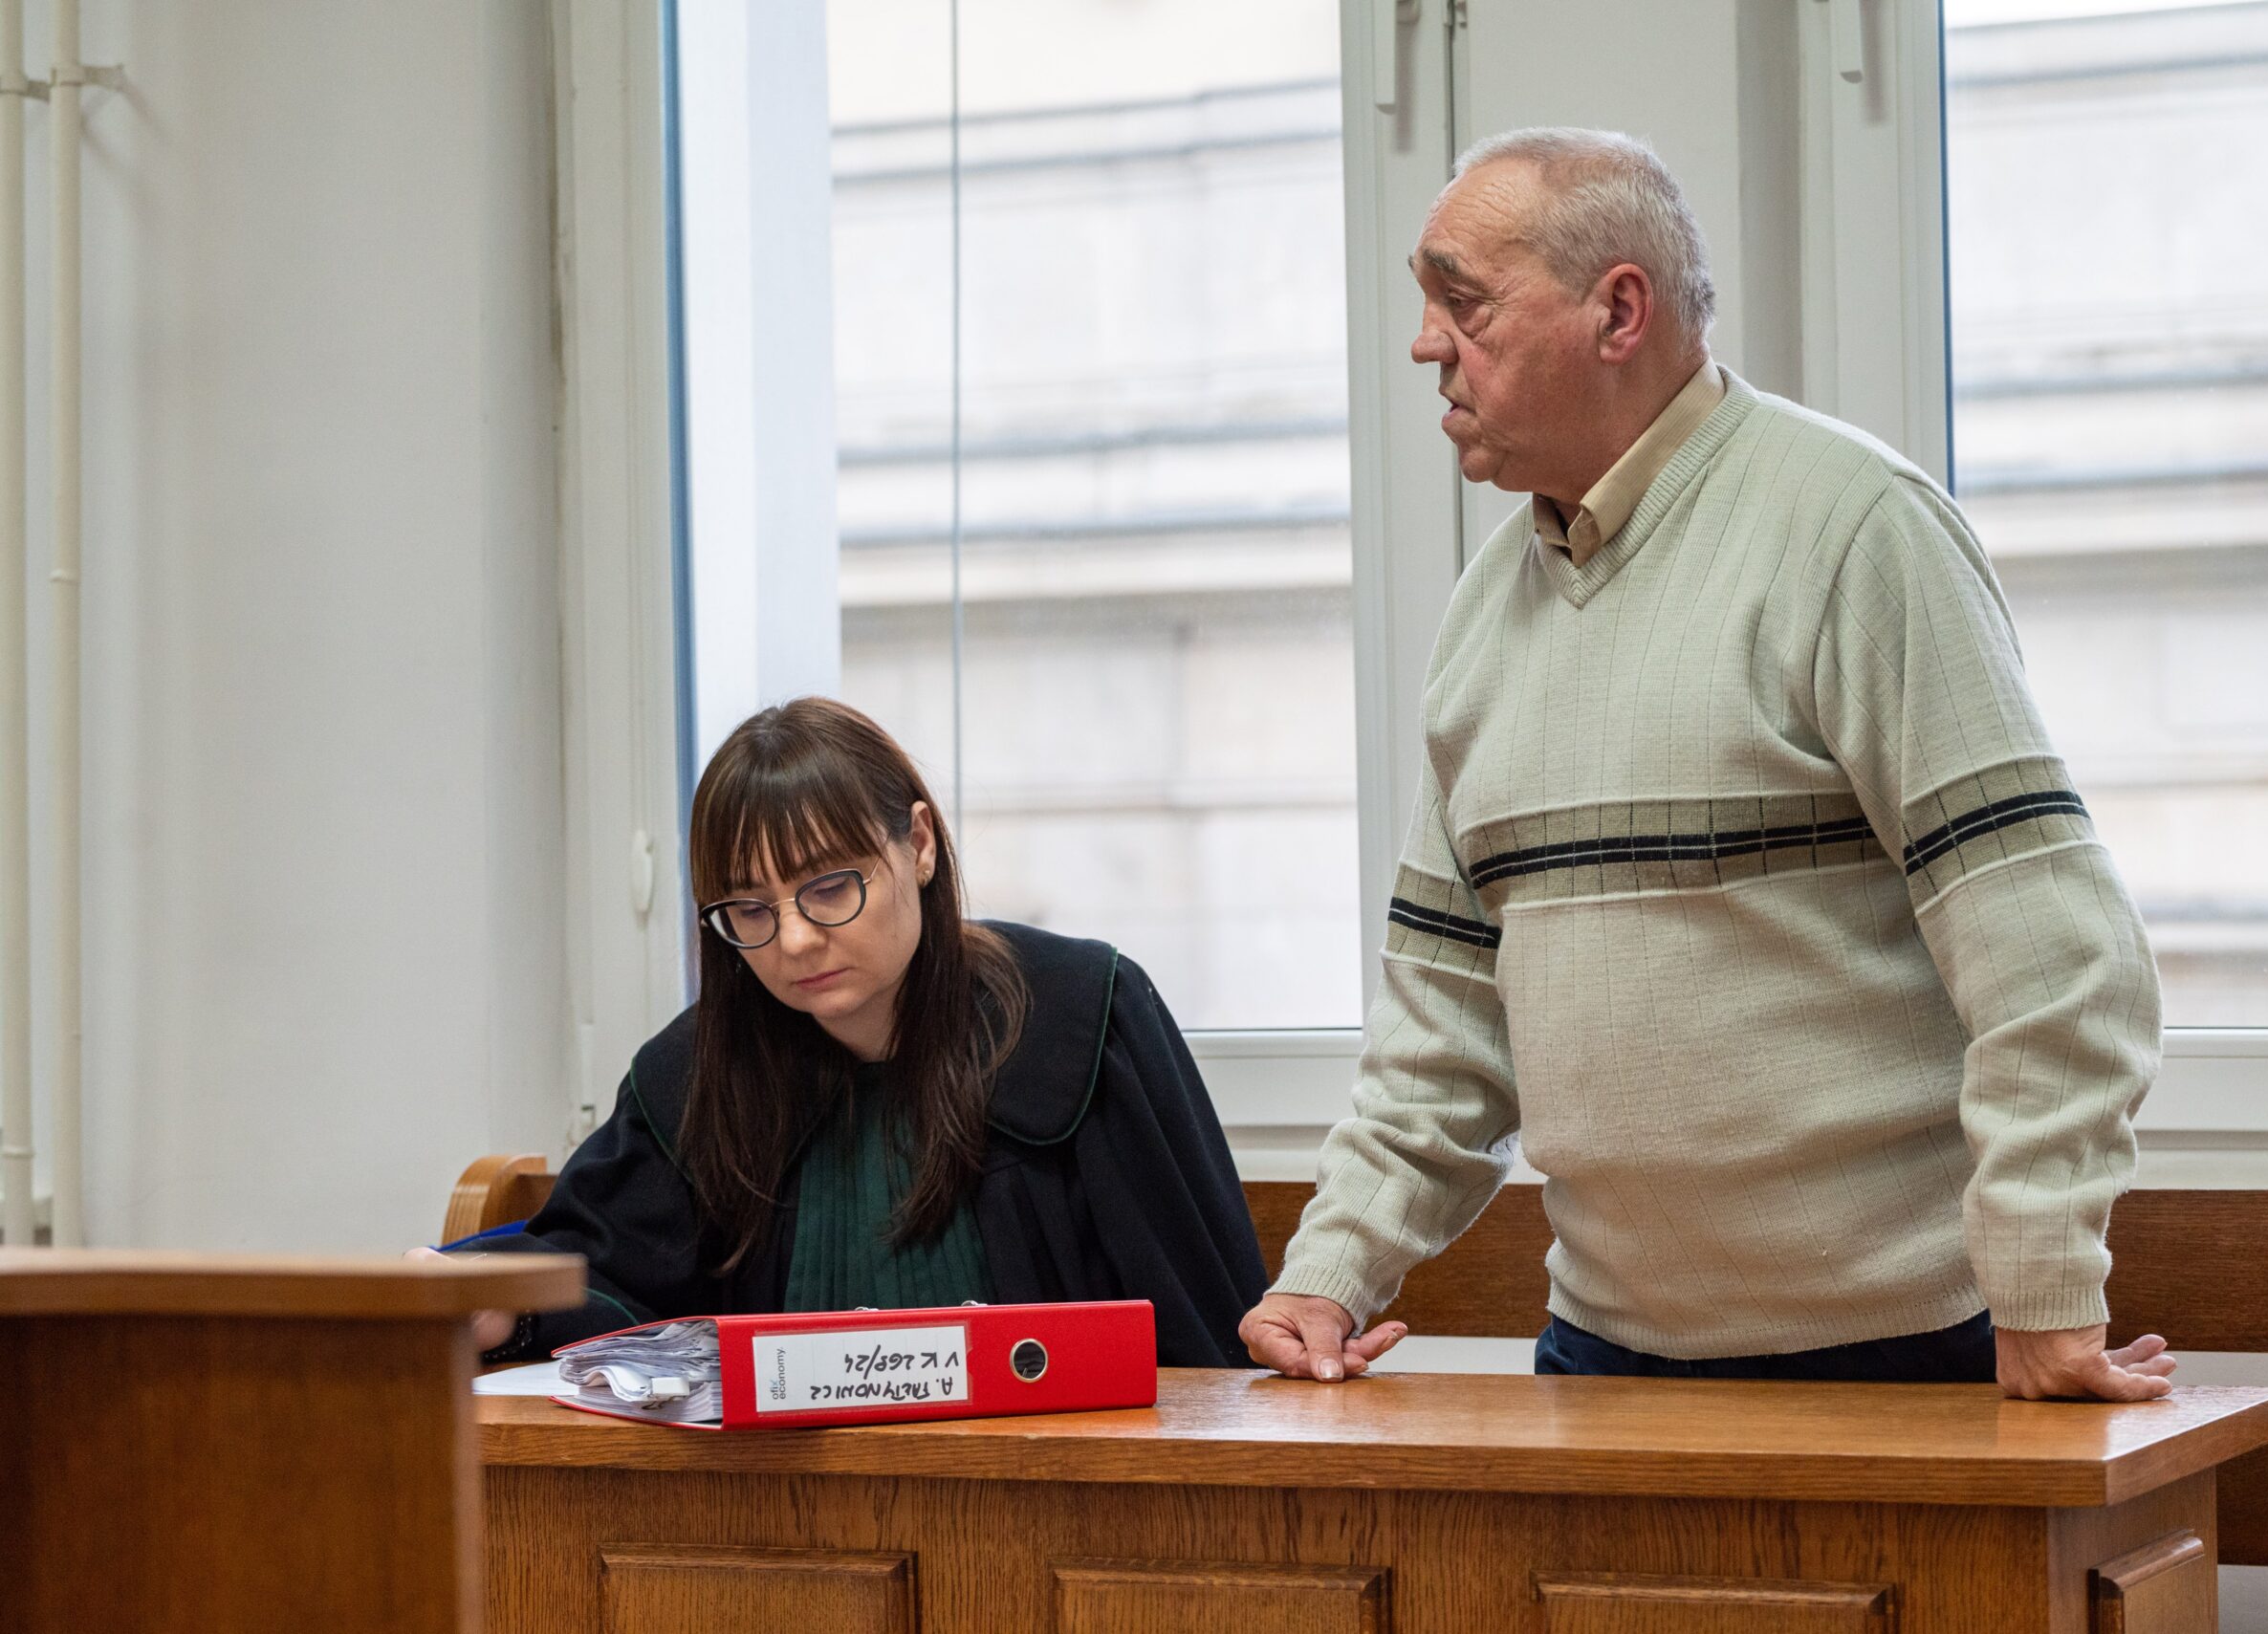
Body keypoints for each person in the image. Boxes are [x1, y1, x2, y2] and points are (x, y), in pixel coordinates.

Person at [1241, 128, 2176, 1402]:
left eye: (1463, 302)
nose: (1424, 344)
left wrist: (2046, 1285)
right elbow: (1446, 1018)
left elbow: (2058, 959)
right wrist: (1331, 1267)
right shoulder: (1482, 617)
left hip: (1906, 1365)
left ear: (1618, 309)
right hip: (1602, 1364)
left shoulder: (1855, 532)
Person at [434, 696, 1267, 1367]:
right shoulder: (691, 1076)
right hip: (782, 1525)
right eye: (750, 910)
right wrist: (500, 1303)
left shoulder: (1081, 1018)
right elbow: (604, 1272)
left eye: (830, 888)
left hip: (1060, 1512)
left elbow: (1202, 1328)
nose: (794, 939)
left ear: (919, 844)